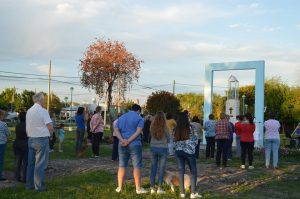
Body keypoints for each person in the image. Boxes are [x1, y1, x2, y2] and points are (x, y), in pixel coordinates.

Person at [114, 104, 148, 194]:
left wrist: (122, 140)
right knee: (136, 166)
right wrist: (128, 141)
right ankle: (138, 189)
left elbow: (116, 130)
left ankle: (119, 187)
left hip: (122, 144)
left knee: (122, 165)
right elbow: (138, 132)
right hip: (135, 144)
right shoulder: (139, 118)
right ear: (138, 111)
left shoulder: (121, 117)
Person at [26, 92, 53, 192]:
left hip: (31, 139)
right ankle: (39, 187)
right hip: (41, 139)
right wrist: (51, 135)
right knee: (40, 164)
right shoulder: (43, 111)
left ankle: (29, 185)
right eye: (44, 99)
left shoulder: (29, 111)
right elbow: (50, 126)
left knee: (31, 164)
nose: (44, 101)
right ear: (40, 100)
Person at [174, 112, 201, 199]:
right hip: (189, 152)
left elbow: (173, 139)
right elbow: (196, 140)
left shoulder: (176, 128)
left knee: (181, 171)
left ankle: (182, 193)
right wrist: (191, 146)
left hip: (178, 151)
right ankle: (193, 193)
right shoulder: (191, 128)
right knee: (193, 171)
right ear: (187, 119)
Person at [149, 111, 170, 195]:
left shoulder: (152, 126)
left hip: (153, 148)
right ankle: (159, 188)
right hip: (163, 149)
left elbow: (150, 136)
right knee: (161, 169)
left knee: (153, 169)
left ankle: (152, 188)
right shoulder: (165, 128)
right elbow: (169, 138)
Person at [13, 111, 28, 182]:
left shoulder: (17, 125)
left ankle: (17, 177)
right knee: (25, 162)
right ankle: (24, 178)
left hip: (17, 143)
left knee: (17, 161)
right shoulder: (27, 125)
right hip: (25, 144)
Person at [0, 109, 10, 181]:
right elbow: (8, 134)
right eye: (3, 115)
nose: (4, 116)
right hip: (2, 143)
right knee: (1, 159)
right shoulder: (3, 124)